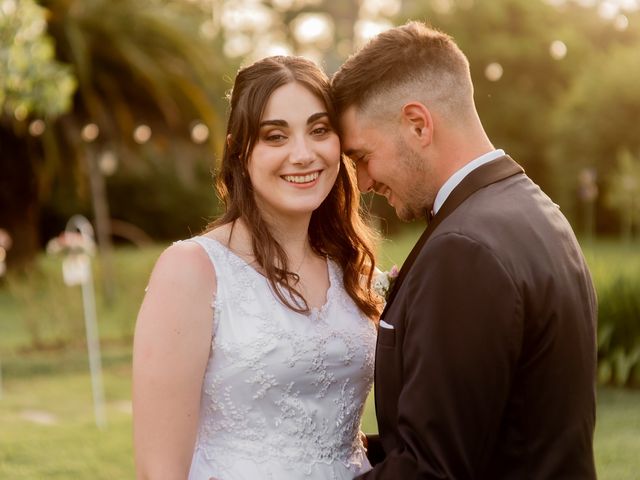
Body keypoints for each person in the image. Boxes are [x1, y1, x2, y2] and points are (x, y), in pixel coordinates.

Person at [332, 21, 597, 479]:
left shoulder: (464, 250)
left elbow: (430, 469)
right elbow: (484, 432)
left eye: (361, 157)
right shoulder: (535, 209)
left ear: (417, 125)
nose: (364, 182)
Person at [132, 55, 381, 480]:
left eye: (319, 130)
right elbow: (160, 472)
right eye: (275, 136)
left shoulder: (351, 268)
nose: (302, 154)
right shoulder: (192, 270)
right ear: (238, 150)